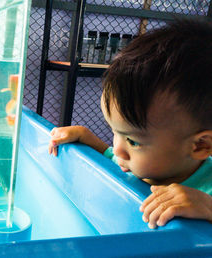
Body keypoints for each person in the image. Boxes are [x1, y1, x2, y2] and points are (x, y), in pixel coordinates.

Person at [48, 18, 212, 229]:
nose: (118, 148)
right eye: (114, 132)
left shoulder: (206, 191)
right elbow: (113, 159)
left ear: (200, 146)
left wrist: (207, 207)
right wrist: (87, 138)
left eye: (132, 141)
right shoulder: (141, 162)